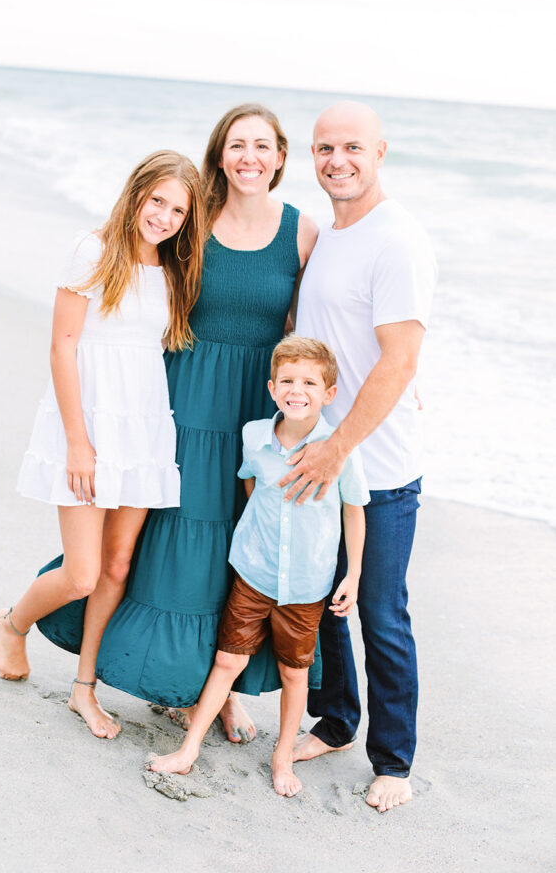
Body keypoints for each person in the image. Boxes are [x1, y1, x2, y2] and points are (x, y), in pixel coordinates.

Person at [35, 104, 318, 743]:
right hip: (181, 395)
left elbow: (311, 325)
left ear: (279, 158)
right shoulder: (194, 221)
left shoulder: (304, 232)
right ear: (220, 154)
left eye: (262, 146)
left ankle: (223, 691)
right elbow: (133, 288)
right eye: (236, 144)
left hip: (253, 405)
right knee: (164, 540)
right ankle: (170, 680)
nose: (249, 156)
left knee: (236, 542)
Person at [0, 150, 205, 739]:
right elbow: (63, 347)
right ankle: (13, 624)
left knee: (117, 564)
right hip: (85, 423)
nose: (163, 216)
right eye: (156, 201)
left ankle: (82, 688)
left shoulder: (172, 269)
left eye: (177, 210)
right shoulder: (93, 250)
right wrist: (78, 443)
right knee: (83, 574)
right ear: (136, 193)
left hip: (141, 426)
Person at [283, 101, 437, 813]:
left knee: (377, 611)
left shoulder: (395, 239)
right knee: (320, 602)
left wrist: (337, 447)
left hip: (376, 469)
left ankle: (394, 760)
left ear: (380, 152)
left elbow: (399, 359)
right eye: (322, 148)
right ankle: (337, 721)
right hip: (320, 457)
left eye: (350, 147)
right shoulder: (331, 235)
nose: (335, 160)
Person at [148, 335, 369, 797]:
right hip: (254, 572)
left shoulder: (339, 449)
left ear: (329, 393)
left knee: (295, 673)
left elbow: (354, 509)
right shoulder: (254, 436)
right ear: (272, 388)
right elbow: (251, 485)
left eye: (310, 382)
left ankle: (282, 757)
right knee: (228, 659)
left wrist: (352, 574)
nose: (297, 389)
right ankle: (188, 750)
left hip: (308, 584)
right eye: (288, 380)